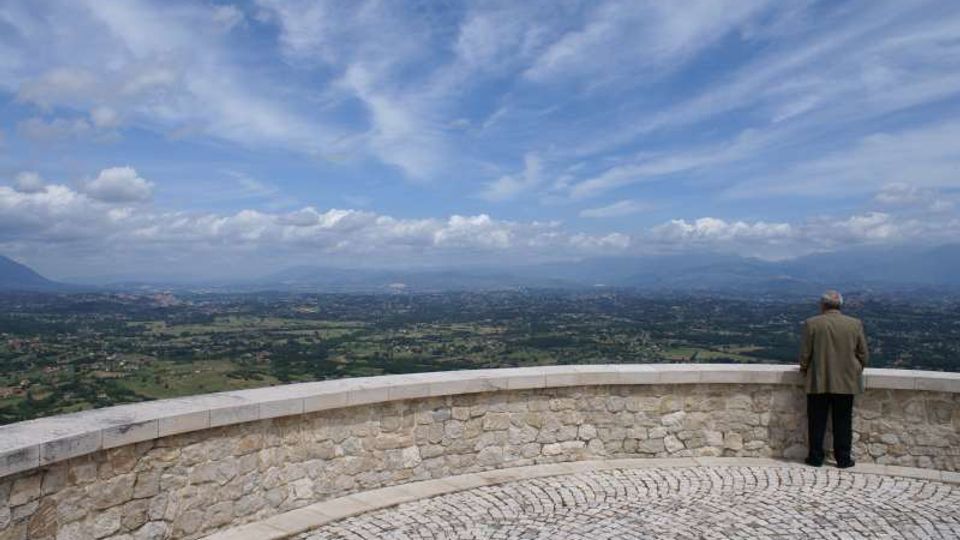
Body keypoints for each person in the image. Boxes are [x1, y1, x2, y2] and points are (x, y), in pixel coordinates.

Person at [798, 290, 869, 468]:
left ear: (823, 305)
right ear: (840, 305)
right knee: (843, 422)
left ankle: (815, 458)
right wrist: (857, 369)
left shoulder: (812, 324)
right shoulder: (854, 324)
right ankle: (843, 459)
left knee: (816, 421)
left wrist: (804, 370)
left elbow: (805, 354)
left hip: (818, 380)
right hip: (846, 381)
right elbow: (863, 353)